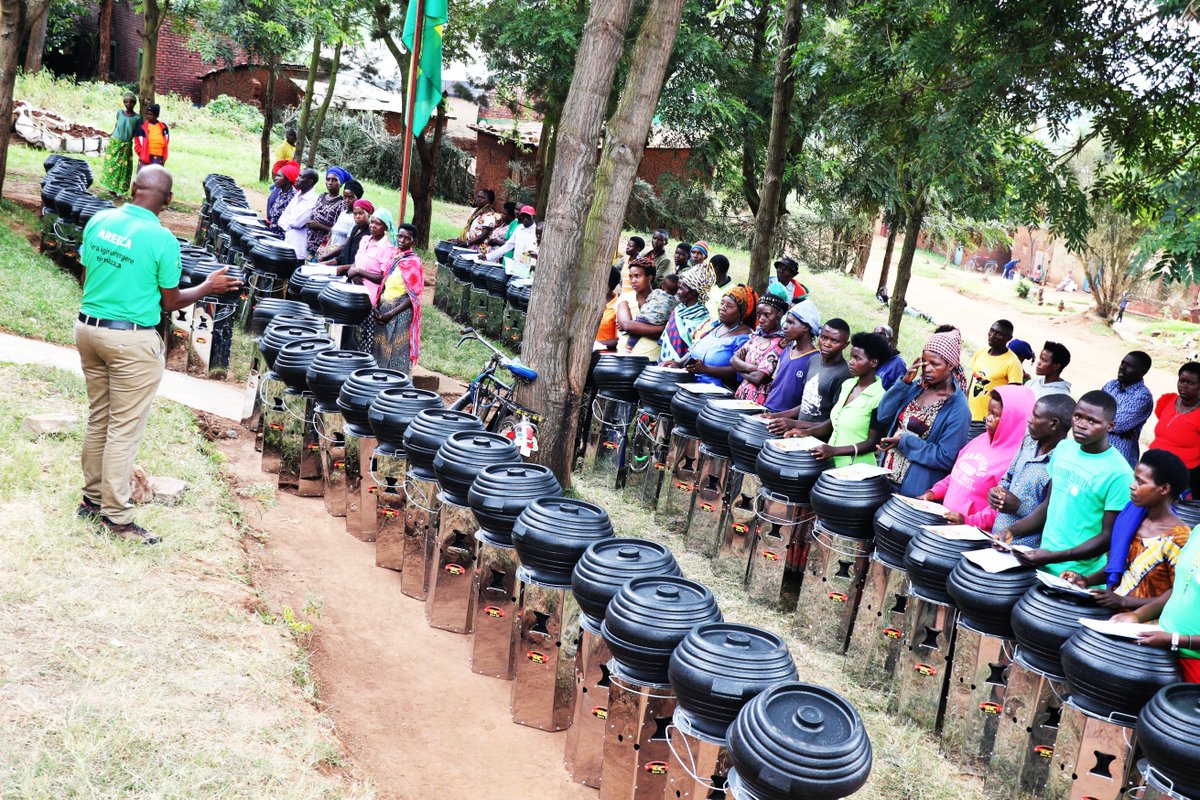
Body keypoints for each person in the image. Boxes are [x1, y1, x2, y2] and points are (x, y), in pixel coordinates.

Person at [76, 166, 242, 543]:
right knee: (123, 428)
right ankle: (116, 518)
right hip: (130, 341)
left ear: (133, 188)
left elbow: (87, 276)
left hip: (88, 329)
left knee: (99, 418)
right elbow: (171, 301)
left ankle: (90, 501)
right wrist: (208, 285)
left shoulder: (99, 220)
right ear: (167, 201)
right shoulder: (162, 239)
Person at [1002, 391, 1135, 577]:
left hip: (1076, 575)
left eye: (1092, 421)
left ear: (1110, 426)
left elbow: (1107, 537)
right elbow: (1048, 505)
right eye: (1078, 416)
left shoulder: (1119, 474)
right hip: (1042, 565)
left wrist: (1051, 557)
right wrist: (1009, 531)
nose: (1081, 424)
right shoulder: (1064, 449)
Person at [1061, 449, 1189, 609]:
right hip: (1115, 614)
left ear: (1163, 489)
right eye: (1135, 479)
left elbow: (1180, 595)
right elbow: (1121, 566)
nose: (1132, 486)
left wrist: (1124, 601)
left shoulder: (1179, 537)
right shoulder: (1133, 518)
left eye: (1140, 482)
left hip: (1145, 626)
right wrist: (1086, 580)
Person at [874, 326, 972, 497]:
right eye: (924, 362)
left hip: (913, 492)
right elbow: (883, 416)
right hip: (884, 477)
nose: (927, 369)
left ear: (950, 365)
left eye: (935, 364)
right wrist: (903, 384)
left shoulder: (957, 408)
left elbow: (945, 457)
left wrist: (903, 442)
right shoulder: (915, 388)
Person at [919, 385, 1036, 527]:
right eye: (988, 412)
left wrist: (969, 521)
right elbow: (957, 475)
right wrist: (933, 492)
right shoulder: (980, 440)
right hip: (947, 524)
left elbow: (1001, 510)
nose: (988, 418)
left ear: (1013, 419)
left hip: (970, 536)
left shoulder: (1016, 460)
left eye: (995, 414)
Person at [1109, 535, 1200, 683]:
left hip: (1194, 663)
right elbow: (1180, 587)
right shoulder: (1197, 532)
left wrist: (1175, 640)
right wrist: (1138, 615)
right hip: (1164, 648)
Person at [988, 393, 1075, 545]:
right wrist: (996, 492)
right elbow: (1008, 477)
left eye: (1035, 416)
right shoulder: (1028, 442)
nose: (1029, 420)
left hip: (1025, 548)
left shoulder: (1062, 462)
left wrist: (1018, 506)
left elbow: (1053, 512)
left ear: (1053, 424)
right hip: (997, 537)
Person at [801, 332, 891, 466]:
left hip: (856, 468)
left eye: (857, 358)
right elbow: (834, 422)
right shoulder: (848, 385)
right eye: (851, 357)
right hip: (832, 462)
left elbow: (872, 443)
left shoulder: (880, 397)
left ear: (873, 362)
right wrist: (806, 432)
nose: (851, 362)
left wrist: (834, 451)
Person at [765, 319, 851, 434]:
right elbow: (807, 403)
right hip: (798, 432)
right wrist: (774, 416)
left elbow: (834, 421)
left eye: (834, 341)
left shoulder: (843, 374)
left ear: (846, 344)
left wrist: (795, 424)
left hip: (816, 438)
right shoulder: (813, 360)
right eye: (824, 338)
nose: (826, 344)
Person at [683, 285, 756, 389]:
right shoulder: (713, 326)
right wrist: (678, 363)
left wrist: (706, 369)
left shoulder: (745, 337)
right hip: (691, 385)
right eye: (722, 303)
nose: (722, 308)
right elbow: (693, 349)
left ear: (741, 312)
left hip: (716, 392)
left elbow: (739, 372)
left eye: (729, 306)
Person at [373, 223, 423, 374]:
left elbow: (414, 297)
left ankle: (396, 386)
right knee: (381, 347)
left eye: (406, 238)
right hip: (385, 309)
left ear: (412, 241)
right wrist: (378, 306)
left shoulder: (413, 262)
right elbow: (385, 283)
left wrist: (391, 313)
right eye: (399, 236)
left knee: (396, 350)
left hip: (400, 313)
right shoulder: (396, 256)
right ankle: (378, 381)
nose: (401, 240)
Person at [348, 207, 395, 351]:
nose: (373, 226)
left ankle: (362, 365)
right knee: (350, 334)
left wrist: (359, 272)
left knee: (365, 336)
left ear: (385, 227)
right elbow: (357, 261)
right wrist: (354, 272)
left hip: (369, 299)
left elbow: (383, 277)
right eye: (372, 222)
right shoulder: (364, 240)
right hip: (354, 291)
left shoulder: (386, 248)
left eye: (378, 224)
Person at [1149, 362, 1200, 492]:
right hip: (1152, 465)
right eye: (1182, 380)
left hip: (1182, 476)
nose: (1184, 386)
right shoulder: (1168, 401)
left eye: (1190, 383)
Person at [762, 301, 820, 414]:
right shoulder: (786, 351)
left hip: (785, 419)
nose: (784, 326)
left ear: (805, 327)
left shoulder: (815, 359)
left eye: (790, 322)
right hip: (768, 410)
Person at [730, 293, 788, 405]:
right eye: (758, 315)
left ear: (779, 314)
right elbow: (733, 360)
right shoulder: (755, 336)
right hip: (740, 395)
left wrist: (740, 369)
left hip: (759, 402)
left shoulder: (781, 343)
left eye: (766, 315)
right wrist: (754, 368)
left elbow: (758, 378)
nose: (761, 319)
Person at [1103, 350, 1155, 467]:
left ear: (1143, 372)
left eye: (1129, 366)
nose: (1122, 368)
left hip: (1117, 456)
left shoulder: (1143, 397)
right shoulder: (1111, 385)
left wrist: (1095, 420)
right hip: (1095, 447)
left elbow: (1119, 424)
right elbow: (1092, 409)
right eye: (1123, 363)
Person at [966, 319, 1024, 421]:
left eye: (998, 334)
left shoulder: (1013, 363)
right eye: (991, 331)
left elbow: (1013, 398)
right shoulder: (981, 352)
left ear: (1009, 338)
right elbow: (973, 379)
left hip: (986, 421)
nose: (992, 336)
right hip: (968, 415)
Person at [659, 263, 714, 364]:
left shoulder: (703, 320)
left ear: (694, 292)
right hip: (663, 365)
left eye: (681, 289)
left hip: (682, 371)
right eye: (678, 287)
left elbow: (695, 352)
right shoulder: (678, 310)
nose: (678, 292)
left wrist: (679, 364)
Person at [615, 259, 667, 358]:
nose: (633, 281)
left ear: (649, 278)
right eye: (630, 277)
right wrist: (662, 328)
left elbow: (665, 335)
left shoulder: (662, 300)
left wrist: (634, 327)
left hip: (652, 360)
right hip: (624, 359)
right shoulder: (625, 298)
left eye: (637, 276)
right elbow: (626, 325)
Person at [621, 270, 679, 355]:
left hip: (645, 317)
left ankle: (628, 347)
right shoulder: (676, 301)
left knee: (634, 333)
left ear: (662, 286)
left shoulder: (656, 292)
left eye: (637, 276)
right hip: (658, 322)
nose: (633, 280)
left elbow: (649, 299)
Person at [305, 167, 352, 260]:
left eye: (335, 180)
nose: (330, 182)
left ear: (341, 183)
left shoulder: (342, 204)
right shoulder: (321, 196)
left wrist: (319, 226)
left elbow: (338, 231)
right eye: (328, 179)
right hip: (308, 242)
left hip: (324, 248)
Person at [100, 92, 139, 196]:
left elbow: (136, 132)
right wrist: (111, 134)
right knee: (112, 164)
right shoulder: (119, 113)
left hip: (126, 144)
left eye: (131, 102)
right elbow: (117, 125)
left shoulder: (137, 118)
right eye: (126, 102)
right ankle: (111, 188)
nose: (128, 104)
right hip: (115, 142)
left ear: (135, 103)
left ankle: (119, 188)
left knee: (123, 167)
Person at [318, 178, 365, 262]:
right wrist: (324, 252)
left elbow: (345, 244)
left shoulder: (356, 218)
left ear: (358, 198)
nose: (346, 201)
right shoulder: (343, 213)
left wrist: (325, 256)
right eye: (344, 197)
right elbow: (332, 235)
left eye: (350, 197)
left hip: (338, 258)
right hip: (328, 254)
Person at [277, 168, 319, 259]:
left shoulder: (313, 200)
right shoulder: (297, 194)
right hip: (287, 241)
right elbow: (282, 218)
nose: (296, 179)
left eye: (300, 177)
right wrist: (290, 223)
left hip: (298, 249)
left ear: (309, 181)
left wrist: (289, 222)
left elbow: (297, 223)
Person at [322, 198, 371, 268]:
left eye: (360, 213)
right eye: (355, 214)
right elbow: (344, 254)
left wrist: (342, 268)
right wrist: (325, 262)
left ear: (368, 214)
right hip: (343, 270)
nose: (357, 217)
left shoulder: (369, 233)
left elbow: (362, 263)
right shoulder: (355, 228)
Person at [265, 162, 298, 236]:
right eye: (276, 175)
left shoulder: (292, 197)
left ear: (288, 180)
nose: (275, 178)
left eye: (279, 176)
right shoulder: (279, 192)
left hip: (282, 236)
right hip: (272, 233)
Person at [132, 104, 169, 170]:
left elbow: (166, 140)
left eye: (151, 114)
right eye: (147, 114)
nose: (149, 116)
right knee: (143, 178)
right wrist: (142, 153)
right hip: (145, 158)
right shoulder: (142, 128)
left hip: (159, 158)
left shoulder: (163, 127)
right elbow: (137, 143)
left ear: (156, 115)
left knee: (156, 179)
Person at [595, 267, 623, 349]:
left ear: (609, 285)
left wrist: (594, 344)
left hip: (604, 356)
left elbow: (619, 340)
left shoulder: (619, 307)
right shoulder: (588, 303)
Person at [873, 324, 908, 389]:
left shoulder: (898, 364)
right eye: (874, 334)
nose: (876, 337)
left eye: (881, 334)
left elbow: (899, 390)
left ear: (890, 339)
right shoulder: (869, 355)